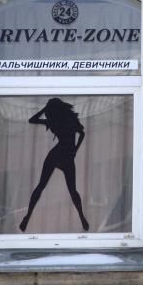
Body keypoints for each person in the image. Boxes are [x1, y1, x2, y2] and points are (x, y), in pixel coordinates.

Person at [19, 98, 88, 232]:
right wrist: (75, 149)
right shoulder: (58, 121)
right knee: (49, 186)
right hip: (62, 155)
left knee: (67, 189)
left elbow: (82, 134)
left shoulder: (64, 120)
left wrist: (75, 150)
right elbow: (32, 120)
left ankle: (81, 216)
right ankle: (27, 217)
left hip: (62, 155)